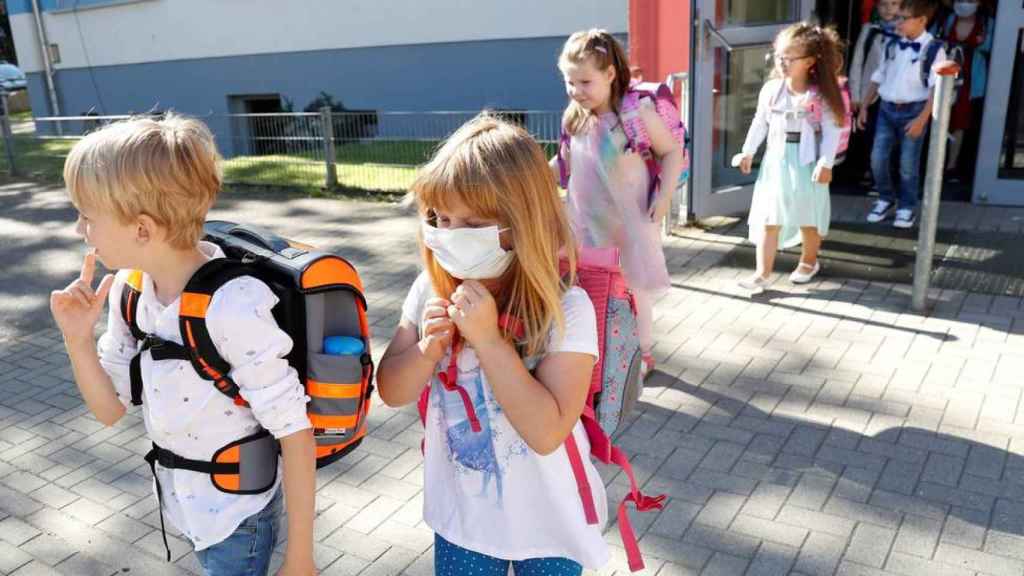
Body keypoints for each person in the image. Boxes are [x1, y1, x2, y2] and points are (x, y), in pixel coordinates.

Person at [49, 114, 316, 576]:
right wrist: (77, 341)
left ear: (143, 230)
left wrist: (299, 559)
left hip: (237, 518)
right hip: (184, 508)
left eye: (87, 217)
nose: (79, 231)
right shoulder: (131, 291)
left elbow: (295, 433)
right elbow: (110, 411)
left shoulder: (233, 307)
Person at [376, 113, 608, 576]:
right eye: (441, 218)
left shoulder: (566, 308)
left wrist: (487, 341)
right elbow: (392, 391)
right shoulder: (430, 289)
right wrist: (426, 349)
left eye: (473, 222)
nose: (450, 234)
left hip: (550, 523)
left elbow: (546, 433)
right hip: (465, 519)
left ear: (524, 222)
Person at [555, 28, 686, 376]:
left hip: (629, 223)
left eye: (584, 82)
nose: (575, 91)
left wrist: (665, 196)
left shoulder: (638, 114)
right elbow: (567, 165)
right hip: (586, 224)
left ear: (610, 74)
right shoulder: (575, 117)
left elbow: (672, 151)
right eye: (569, 82)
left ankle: (642, 354)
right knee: (587, 289)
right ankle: (598, 351)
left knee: (635, 290)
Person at [734, 23, 847, 294]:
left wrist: (825, 163)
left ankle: (809, 261)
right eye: (779, 56)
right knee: (769, 217)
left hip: (807, 160)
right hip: (776, 160)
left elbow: (833, 130)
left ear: (809, 62)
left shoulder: (819, 94)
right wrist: (748, 151)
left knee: (807, 216)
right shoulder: (772, 89)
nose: (782, 62)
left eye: (789, 57)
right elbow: (760, 122)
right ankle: (762, 273)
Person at [859, 0, 945, 228]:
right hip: (887, 109)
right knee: (877, 159)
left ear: (922, 20)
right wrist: (865, 105)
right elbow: (879, 76)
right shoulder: (891, 44)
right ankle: (886, 198)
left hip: (914, 110)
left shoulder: (934, 49)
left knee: (908, 163)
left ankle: (907, 206)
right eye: (898, 18)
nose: (899, 23)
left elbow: (936, 90)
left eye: (904, 18)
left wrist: (922, 119)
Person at [849, 0, 902, 188]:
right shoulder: (869, 30)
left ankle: (884, 175)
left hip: (894, 94)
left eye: (894, 4)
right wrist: (855, 94)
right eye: (883, 4)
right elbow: (857, 62)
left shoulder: (906, 31)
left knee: (889, 136)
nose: (889, 9)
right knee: (869, 134)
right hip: (869, 94)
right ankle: (871, 170)